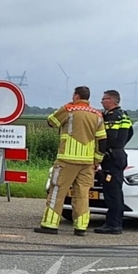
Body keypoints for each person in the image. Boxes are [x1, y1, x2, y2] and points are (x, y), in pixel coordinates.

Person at [36, 86, 108, 236]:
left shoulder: (69, 109)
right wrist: (97, 160)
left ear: (76, 96)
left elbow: (51, 122)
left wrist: (67, 107)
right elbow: (102, 141)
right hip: (87, 162)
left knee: (57, 191)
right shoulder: (98, 115)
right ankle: (81, 227)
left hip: (67, 160)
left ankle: (50, 224)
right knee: (82, 194)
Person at [94, 89, 134, 234]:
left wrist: (100, 154)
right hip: (119, 155)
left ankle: (114, 224)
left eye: (104, 99)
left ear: (111, 100)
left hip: (111, 158)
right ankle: (113, 222)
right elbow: (129, 134)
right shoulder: (124, 115)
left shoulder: (111, 117)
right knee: (114, 191)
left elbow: (107, 138)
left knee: (112, 193)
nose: (102, 101)